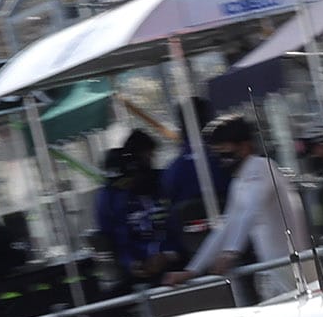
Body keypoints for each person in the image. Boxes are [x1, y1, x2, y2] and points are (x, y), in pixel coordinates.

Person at [171, 118, 303, 298]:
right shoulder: (239, 181)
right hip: (273, 271)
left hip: (293, 268)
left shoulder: (262, 167)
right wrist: (193, 270)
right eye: (217, 153)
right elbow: (226, 226)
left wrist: (231, 252)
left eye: (225, 151)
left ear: (245, 146)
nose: (221, 159)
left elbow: (250, 211)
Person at [95, 140, 175, 286]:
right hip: (138, 272)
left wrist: (168, 255)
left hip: (174, 263)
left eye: (126, 181)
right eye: (117, 184)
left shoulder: (163, 185)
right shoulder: (111, 198)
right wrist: (131, 263)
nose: (123, 187)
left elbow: (176, 229)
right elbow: (116, 238)